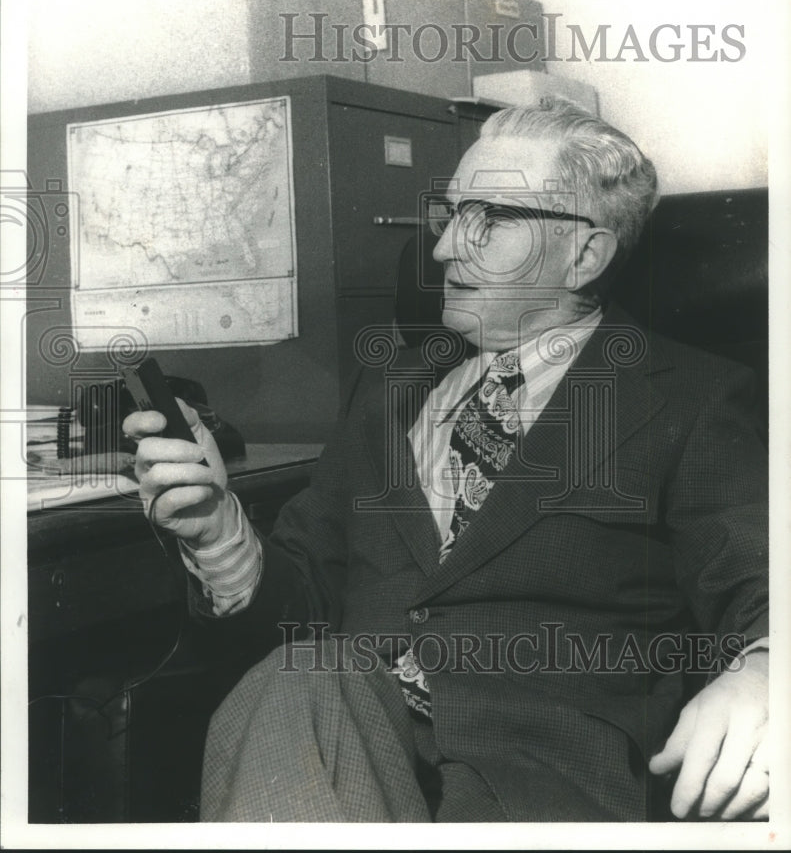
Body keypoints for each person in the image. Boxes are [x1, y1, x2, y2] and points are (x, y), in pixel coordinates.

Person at [123, 99, 768, 823]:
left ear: (584, 255)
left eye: (488, 220)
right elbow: (304, 607)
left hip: (535, 785)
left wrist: (766, 671)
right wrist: (221, 534)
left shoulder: (692, 398)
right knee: (303, 679)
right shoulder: (390, 387)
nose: (441, 250)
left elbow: (759, 576)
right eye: (449, 215)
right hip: (343, 738)